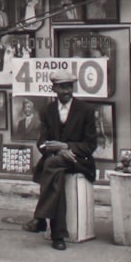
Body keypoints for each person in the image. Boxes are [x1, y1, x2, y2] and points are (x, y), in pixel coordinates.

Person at [22, 69, 96, 250]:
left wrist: (65, 148)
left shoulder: (85, 110)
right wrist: (52, 149)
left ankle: (40, 218)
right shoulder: (48, 111)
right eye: (62, 87)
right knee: (57, 175)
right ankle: (58, 236)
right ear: (54, 88)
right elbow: (42, 140)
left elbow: (91, 145)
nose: (67, 91)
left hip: (79, 161)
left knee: (51, 165)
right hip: (57, 161)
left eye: (69, 87)